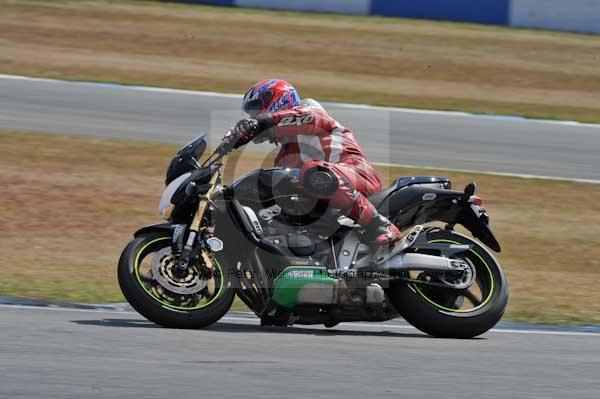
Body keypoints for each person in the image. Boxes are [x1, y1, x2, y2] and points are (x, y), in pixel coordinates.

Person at [228, 79, 401, 246]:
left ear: (279, 100)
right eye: (251, 113)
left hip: (357, 174)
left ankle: (379, 225)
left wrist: (262, 122)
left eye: (256, 109)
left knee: (314, 171)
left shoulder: (309, 111)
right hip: (329, 196)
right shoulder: (283, 157)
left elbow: (302, 118)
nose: (253, 115)